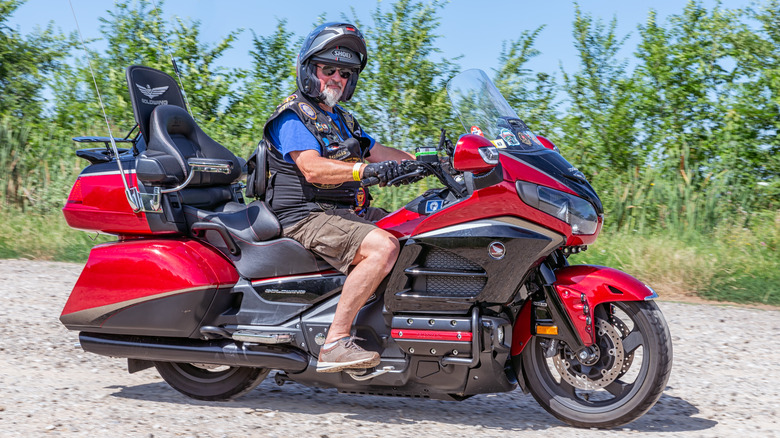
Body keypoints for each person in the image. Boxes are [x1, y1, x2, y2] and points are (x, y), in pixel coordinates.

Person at [262, 22, 414, 373]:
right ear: (309, 70)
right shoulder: (293, 115)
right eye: (327, 69)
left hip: (341, 211)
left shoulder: (342, 120)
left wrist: (431, 164)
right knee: (383, 247)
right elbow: (313, 169)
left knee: (417, 227)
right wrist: (364, 171)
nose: (336, 78)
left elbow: (380, 152)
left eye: (344, 72)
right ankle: (334, 342)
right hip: (304, 215)